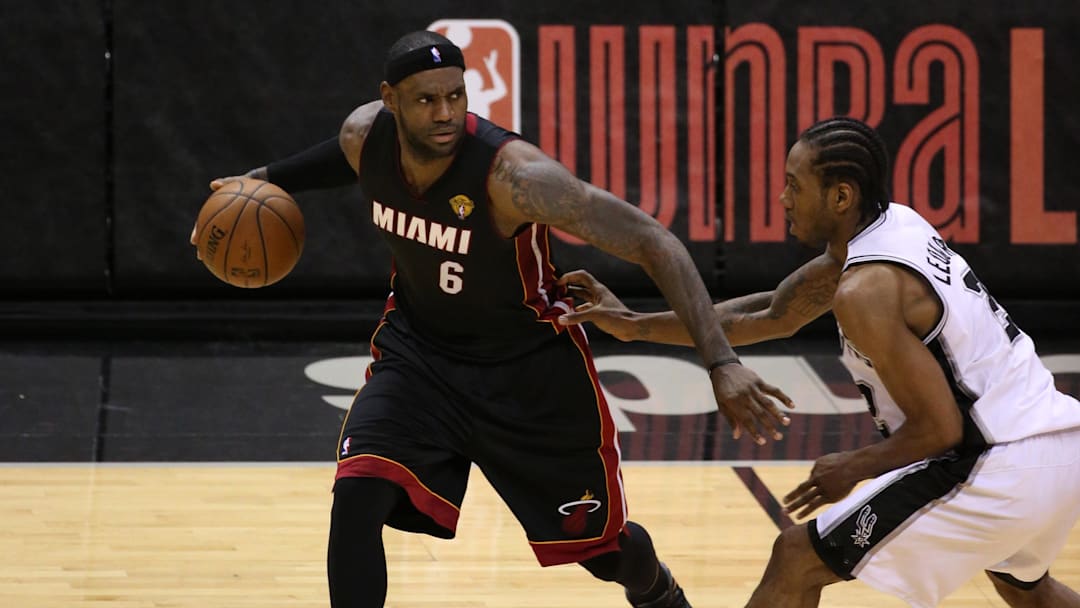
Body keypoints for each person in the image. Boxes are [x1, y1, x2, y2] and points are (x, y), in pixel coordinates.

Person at [192, 30, 794, 608]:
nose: (445, 112)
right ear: (389, 101)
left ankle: (654, 588)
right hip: (420, 356)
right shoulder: (363, 137)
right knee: (357, 493)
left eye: (455, 95)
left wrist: (720, 362)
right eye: (426, 100)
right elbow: (339, 157)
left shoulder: (515, 178)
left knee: (603, 554)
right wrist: (263, 181)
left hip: (527, 375)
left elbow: (653, 241)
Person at [558, 116, 1080, 608]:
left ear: (841, 196)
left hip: (999, 463)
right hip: (1057, 445)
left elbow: (940, 428)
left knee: (796, 557)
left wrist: (848, 467)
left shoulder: (867, 290)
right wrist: (633, 323)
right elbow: (773, 313)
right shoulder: (892, 228)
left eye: (794, 185)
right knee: (1031, 594)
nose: (783, 199)